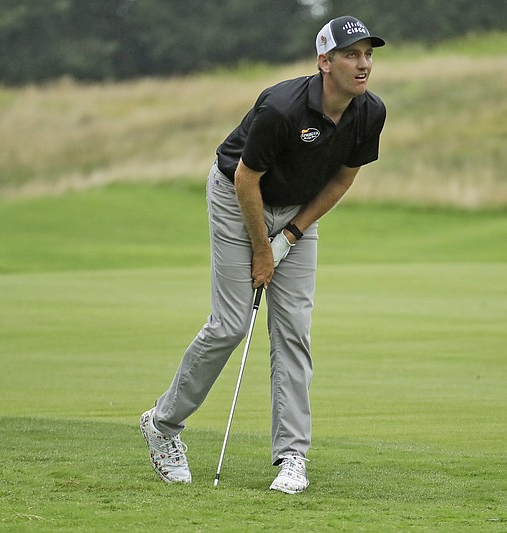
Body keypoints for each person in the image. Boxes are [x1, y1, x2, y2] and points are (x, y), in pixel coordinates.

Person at [140, 15, 386, 494]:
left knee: (293, 329)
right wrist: (261, 249)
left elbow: (343, 178)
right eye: (351, 55)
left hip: (297, 210)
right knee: (230, 325)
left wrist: (290, 234)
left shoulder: (370, 112)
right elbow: (245, 180)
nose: (363, 64)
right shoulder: (281, 108)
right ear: (324, 62)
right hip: (238, 200)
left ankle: (292, 456)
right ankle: (163, 426)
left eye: (368, 54)